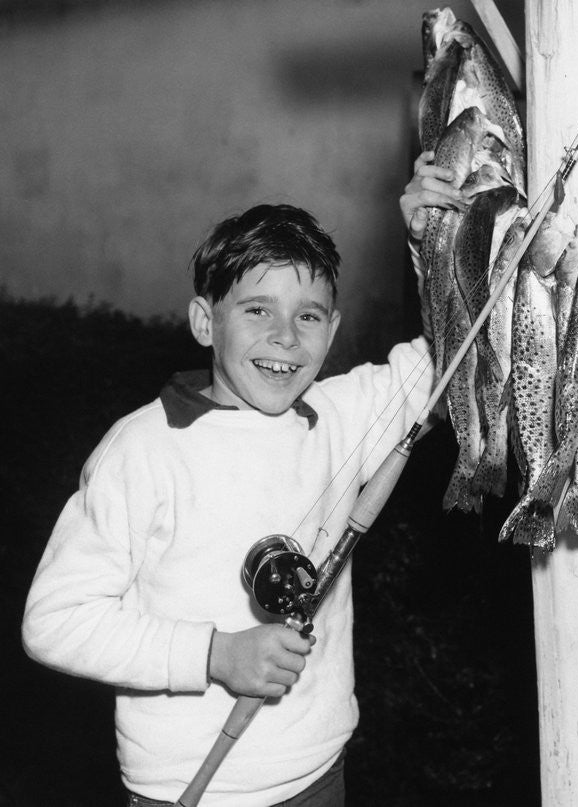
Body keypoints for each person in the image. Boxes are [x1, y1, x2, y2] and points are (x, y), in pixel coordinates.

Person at [21, 152, 464, 806]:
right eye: (257, 310)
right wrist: (216, 654)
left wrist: (431, 239)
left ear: (333, 329)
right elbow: (55, 620)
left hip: (320, 775)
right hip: (192, 790)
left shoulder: (343, 414)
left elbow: (454, 353)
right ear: (206, 320)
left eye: (309, 315)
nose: (285, 336)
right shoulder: (143, 449)